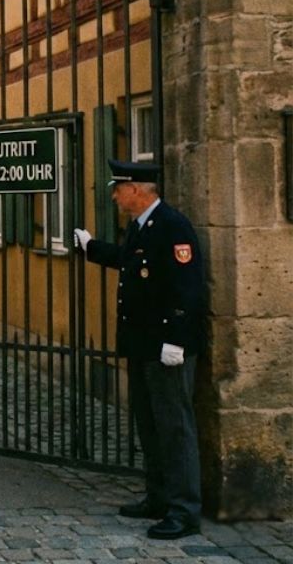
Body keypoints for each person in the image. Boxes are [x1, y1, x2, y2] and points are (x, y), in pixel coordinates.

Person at [73, 159, 206, 540]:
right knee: (149, 426)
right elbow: (130, 263)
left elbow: (188, 288)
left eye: (119, 188)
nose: (114, 195)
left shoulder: (172, 226)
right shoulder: (141, 227)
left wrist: (177, 341)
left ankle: (184, 510)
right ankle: (159, 496)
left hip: (167, 347)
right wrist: (91, 248)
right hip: (143, 345)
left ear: (137, 190)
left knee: (175, 428)